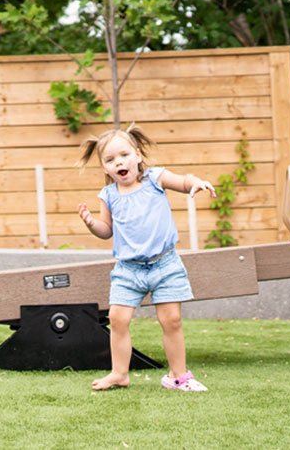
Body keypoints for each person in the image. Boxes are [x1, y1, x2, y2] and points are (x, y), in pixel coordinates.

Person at [76, 124, 215, 392]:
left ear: (138, 155)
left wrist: (196, 182)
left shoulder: (155, 178)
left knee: (171, 320)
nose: (119, 162)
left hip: (165, 264)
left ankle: (178, 376)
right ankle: (119, 374)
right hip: (128, 270)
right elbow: (107, 231)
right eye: (110, 160)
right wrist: (92, 223)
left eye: (124, 155)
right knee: (117, 318)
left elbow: (183, 182)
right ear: (105, 169)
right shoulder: (108, 195)